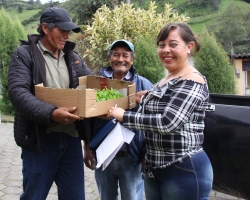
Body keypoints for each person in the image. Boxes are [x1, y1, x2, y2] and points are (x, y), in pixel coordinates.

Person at [107, 22, 214, 200]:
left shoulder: (193, 80)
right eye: (161, 45)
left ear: (189, 47)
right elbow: (163, 100)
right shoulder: (168, 78)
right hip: (155, 169)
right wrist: (144, 97)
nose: (165, 50)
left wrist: (123, 116)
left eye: (173, 44)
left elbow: (167, 122)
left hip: (183, 169)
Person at [8, 7, 95, 200]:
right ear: (45, 28)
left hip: (71, 140)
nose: (67, 35)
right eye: (62, 30)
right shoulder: (25, 54)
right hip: (41, 141)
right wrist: (52, 113)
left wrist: (120, 92)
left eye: (69, 30)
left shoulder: (72, 58)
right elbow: (18, 92)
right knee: (34, 196)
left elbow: (93, 83)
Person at [84, 39, 153, 200]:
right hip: (103, 156)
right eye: (116, 55)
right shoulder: (98, 83)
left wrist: (146, 154)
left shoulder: (143, 85)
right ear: (110, 58)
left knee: (132, 197)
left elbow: (151, 122)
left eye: (125, 55)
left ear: (132, 59)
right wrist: (87, 147)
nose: (120, 59)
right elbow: (87, 119)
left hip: (132, 158)